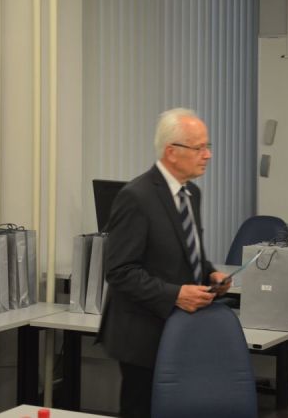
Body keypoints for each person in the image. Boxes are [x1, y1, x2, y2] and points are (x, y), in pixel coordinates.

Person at [96, 108, 232, 418]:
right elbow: (120, 271)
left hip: (181, 328)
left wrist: (210, 273)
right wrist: (175, 294)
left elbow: (187, 251)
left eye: (208, 146)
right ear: (172, 152)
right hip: (142, 332)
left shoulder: (191, 193)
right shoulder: (136, 196)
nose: (208, 155)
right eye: (199, 148)